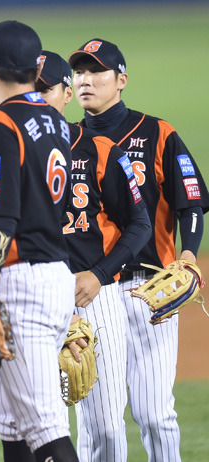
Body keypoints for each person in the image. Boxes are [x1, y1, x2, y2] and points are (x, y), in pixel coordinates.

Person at [69, 38, 209, 462]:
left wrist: (189, 255)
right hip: (93, 292)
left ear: (121, 79)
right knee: (98, 424)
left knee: (153, 414)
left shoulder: (156, 132)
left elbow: (192, 200)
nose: (85, 80)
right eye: (78, 72)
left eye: (96, 71)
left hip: (151, 291)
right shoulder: (68, 142)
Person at [0, 20, 78, 461]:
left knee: (45, 428)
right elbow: (23, 145)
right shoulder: (53, 119)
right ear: (37, 66)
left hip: (20, 281)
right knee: (12, 422)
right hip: (57, 274)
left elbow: (1, 216)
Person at [38, 50, 152, 461]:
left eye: (45, 90)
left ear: (65, 94)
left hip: (94, 297)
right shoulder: (7, 151)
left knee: (104, 423)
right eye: (28, 90)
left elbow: (140, 224)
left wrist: (100, 274)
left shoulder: (100, 150)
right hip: (33, 297)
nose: (36, 99)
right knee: (36, 424)